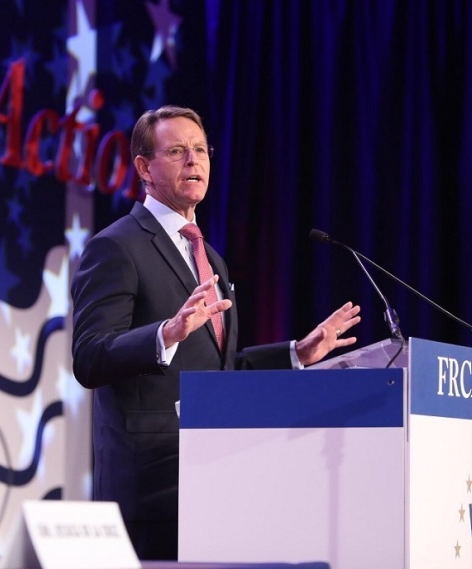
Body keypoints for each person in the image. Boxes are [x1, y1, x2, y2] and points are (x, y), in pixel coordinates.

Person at [71, 105, 361, 560]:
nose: (194, 161)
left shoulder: (213, 259)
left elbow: (219, 373)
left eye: (201, 150)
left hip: (215, 481)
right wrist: (167, 332)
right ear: (145, 167)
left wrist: (297, 353)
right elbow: (89, 357)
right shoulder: (116, 246)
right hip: (149, 489)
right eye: (178, 151)